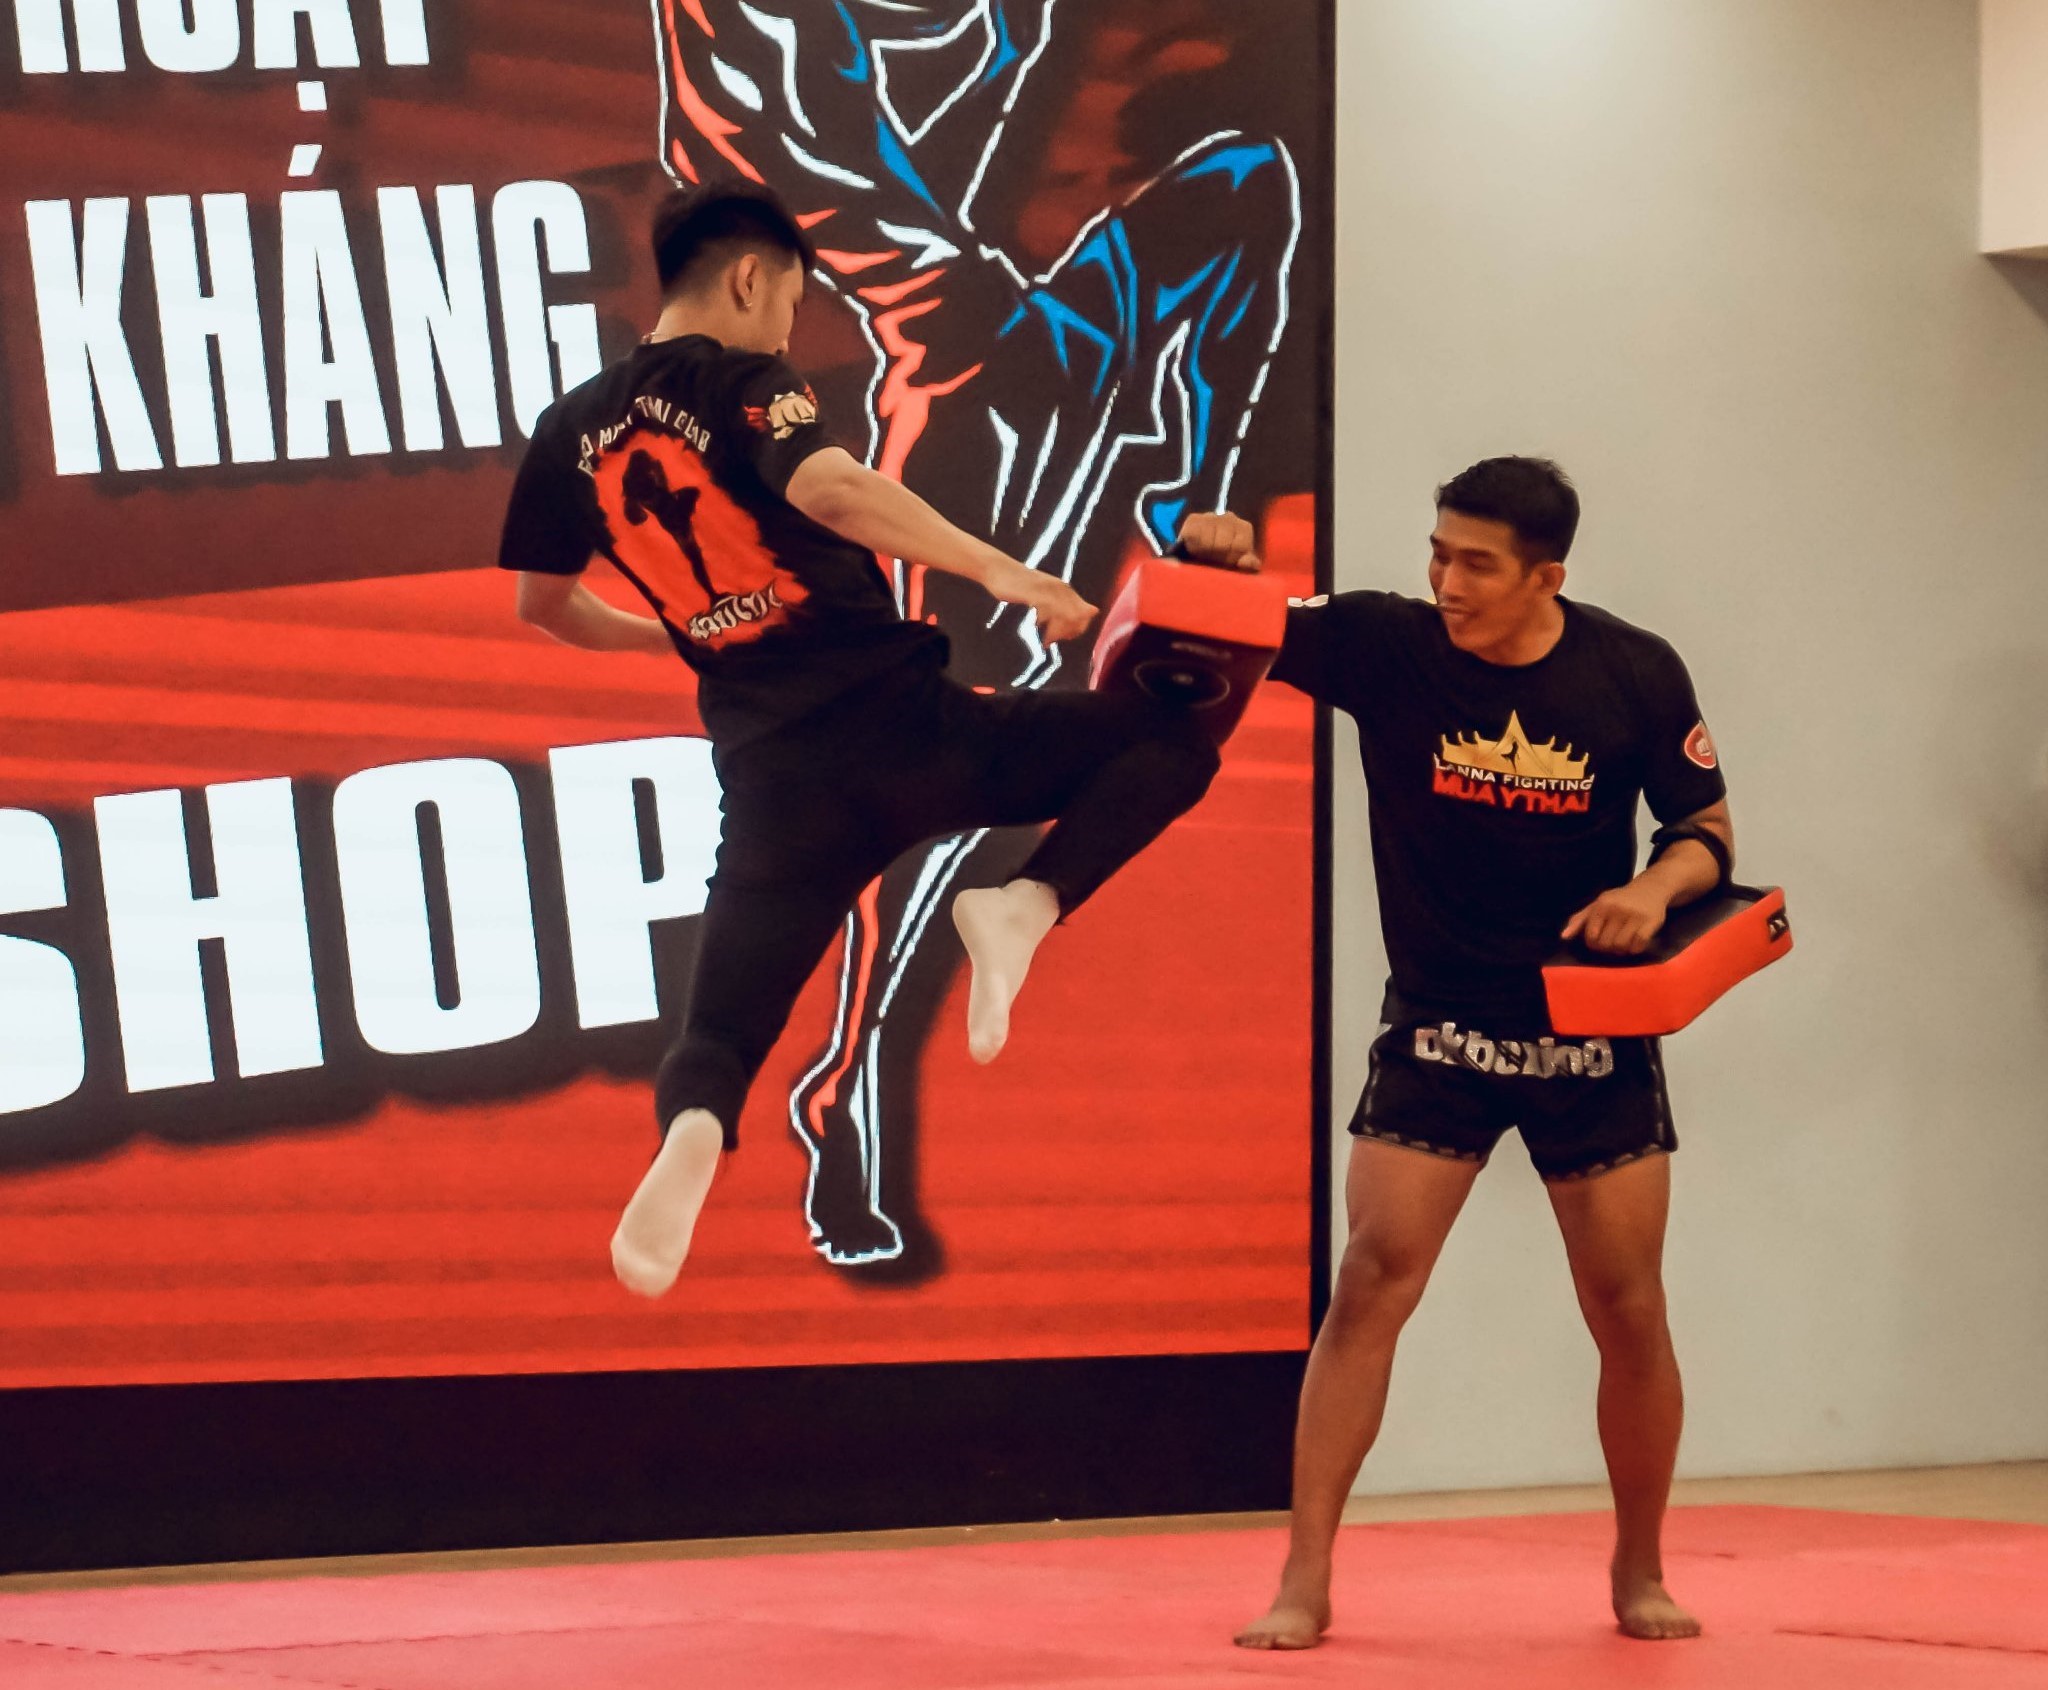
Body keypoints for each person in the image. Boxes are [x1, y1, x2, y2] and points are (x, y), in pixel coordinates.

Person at [497, 179, 1244, 1297]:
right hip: (909, 735)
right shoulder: (740, 379)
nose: (784, 332)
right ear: (750, 277)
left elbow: (543, 606)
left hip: (774, 790)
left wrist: (688, 630)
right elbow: (835, 491)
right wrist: (1003, 569)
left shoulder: (567, 430)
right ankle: (1024, 904)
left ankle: (695, 1132)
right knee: (1175, 745)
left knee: (720, 1035)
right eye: (789, 305)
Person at [1234, 457, 1733, 1649]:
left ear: (1543, 576)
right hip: (1439, 1024)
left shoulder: (1632, 669)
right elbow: (1225, 621)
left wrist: (1650, 890)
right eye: (1437, 552)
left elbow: (1703, 832)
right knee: (1369, 1282)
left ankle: (1639, 1569)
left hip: (1587, 1029)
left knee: (1627, 1307)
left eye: (1475, 564)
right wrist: (1217, 561)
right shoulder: (1381, 644)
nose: (1444, 581)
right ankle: (1303, 1577)